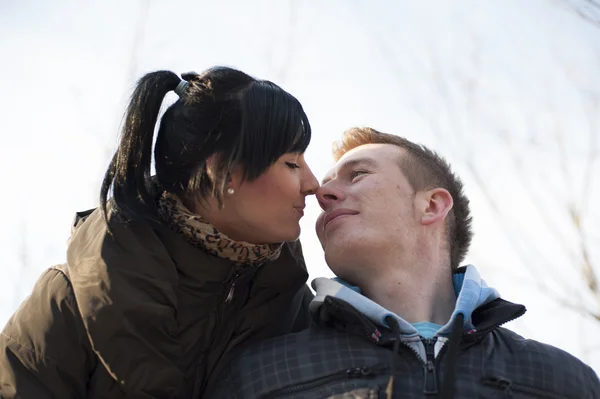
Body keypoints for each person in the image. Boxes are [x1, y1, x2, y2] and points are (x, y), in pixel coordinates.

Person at [0, 67, 319, 398]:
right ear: (220, 170)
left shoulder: (296, 310)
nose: (313, 185)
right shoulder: (68, 303)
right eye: (292, 163)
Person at [212, 127, 600, 399]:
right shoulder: (259, 376)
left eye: (358, 174)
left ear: (432, 205)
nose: (321, 192)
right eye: (328, 186)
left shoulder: (564, 382)